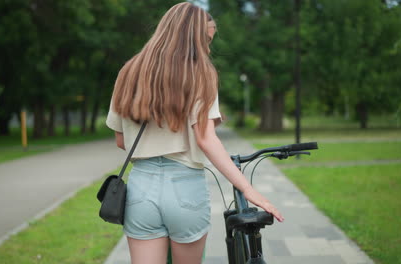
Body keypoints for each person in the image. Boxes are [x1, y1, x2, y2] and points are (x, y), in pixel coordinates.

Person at [106, 2, 284, 263]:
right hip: (185, 187)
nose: (209, 49)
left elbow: (122, 141)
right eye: (207, 41)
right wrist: (246, 188)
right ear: (193, 38)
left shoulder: (129, 72)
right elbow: (205, 139)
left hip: (140, 188)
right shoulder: (201, 74)